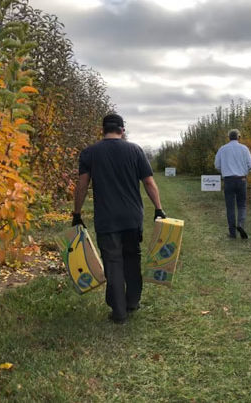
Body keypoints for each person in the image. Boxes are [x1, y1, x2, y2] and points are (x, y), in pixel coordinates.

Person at [72, 113, 166, 324]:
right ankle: (132, 301)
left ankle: (119, 312)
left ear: (102, 130)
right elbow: (149, 183)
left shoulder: (89, 153)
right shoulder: (135, 150)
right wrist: (158, 209)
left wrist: (76, 213)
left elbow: (82, 185)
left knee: (113, 262)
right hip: (132, 217)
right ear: (122, 130)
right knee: (132, 258)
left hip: (107, 219)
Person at [214, 129, 251, 239]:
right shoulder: (244, 148)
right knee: (242, 205)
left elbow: (217, 165)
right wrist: (244, 172)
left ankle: (232, 233)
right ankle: (240, 225)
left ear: (228, 137)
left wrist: (225, 170)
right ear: (239, 137)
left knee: (230, 207)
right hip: (241, 179)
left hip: (228, 180)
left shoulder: (222, 149)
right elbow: (250, 165)